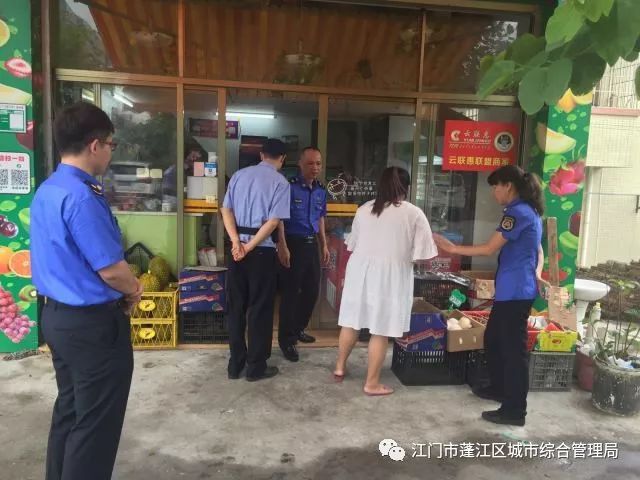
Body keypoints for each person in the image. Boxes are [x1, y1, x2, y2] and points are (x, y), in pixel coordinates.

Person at [31, 102, 143, 480]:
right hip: (91, 327)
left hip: (56, 318)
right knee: (95, 426)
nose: (111, 152)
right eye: (111, 144)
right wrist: (134, 289)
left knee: (71, 410)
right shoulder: (82, 197)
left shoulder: (49, 189)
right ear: (95, 145)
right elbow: (111, 270)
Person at [434, 164, 547, 427]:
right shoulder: (526, 210)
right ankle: (498, 388)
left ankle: (515, 410)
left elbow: (488, 248)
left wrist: (453, 248)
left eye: (496, 187)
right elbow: (538, 249)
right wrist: (537, 271)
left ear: (508, 186)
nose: (494, 193)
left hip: (516, 293)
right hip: (511, 289)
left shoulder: (518, 213)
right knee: (494, 340)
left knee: (513, 351)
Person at [333, 167, 438, 396]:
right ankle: (371, 384)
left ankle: (340, 367)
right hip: (390, 278)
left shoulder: (364, 209)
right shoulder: (413, 214)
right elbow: (424, 255)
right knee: (380, 329)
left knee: (351, 321)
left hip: (359, 272)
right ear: (407, 188)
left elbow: (352, 244)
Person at [221, 138, 291, 382]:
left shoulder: (239, 176)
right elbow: (273, 222)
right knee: (260, 309)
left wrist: (236, 243)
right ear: (282, 158)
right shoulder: (281, 183)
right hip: (261, 252)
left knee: (236, 308)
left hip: (237, 252)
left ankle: (235, 365)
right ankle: (255, 367)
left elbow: (226, 210)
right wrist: (250, 247)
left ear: (262, 155)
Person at [277, 147, 330, 362]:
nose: (315, 167)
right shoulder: (288, 187)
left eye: (318, 163)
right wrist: (282, 245)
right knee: (290, 294)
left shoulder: (320, 190)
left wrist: (324, 245)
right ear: (300, 164)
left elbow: (320, 218)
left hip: (311, 245)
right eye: (310, 163)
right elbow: (279, 218)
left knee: (311, 291)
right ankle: (286, 340)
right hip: (293, 244)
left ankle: (298, 328)